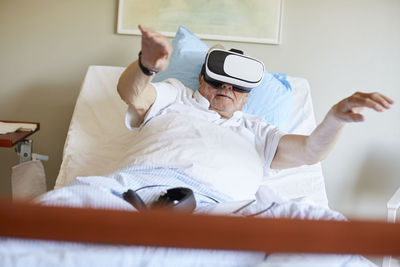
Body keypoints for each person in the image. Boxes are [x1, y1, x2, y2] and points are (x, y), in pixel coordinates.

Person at [117, 25, 394, 201]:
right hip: (134, 186)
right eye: (216, 79)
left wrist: (335, 118)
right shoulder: (175, 94)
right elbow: (133, 94)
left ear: (247, 97)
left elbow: (310, 151)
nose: (227, 87)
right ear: (201, 80)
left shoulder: (258, 131)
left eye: (238, 86)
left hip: (218, 209)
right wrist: (146, 65)